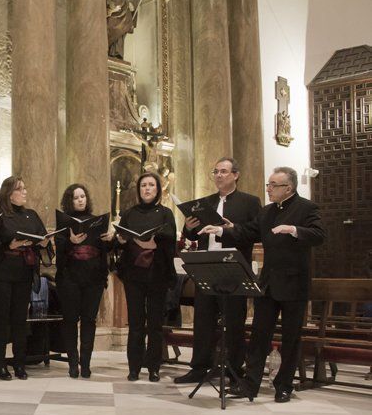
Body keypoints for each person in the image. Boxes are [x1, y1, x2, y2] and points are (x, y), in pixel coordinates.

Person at [202, 166, 325, 402]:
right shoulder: (267, 212)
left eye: (272, 185)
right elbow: (247, 232)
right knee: (259, 336)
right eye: (268, 184)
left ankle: (284, 386)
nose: (267, 189)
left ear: (287, 188)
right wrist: (220, 230)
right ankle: (250, 384)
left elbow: (319, 234)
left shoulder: (307, 208)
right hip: (268, 284)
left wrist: (295, 230)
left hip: (294, 284)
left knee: (290, 338)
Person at [174, 157, 261, 384]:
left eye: (224, 171)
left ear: (235, 175)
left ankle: (234, 369)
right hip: (207, 264)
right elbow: (193, 235)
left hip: (233, 267)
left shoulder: (249, 202)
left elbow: (254, 233)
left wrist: (227, 230)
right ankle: (199, 368)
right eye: (215, 172)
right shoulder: (206, 202)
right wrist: (190, 227)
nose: (219, 175)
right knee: (203, 319)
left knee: (234, 320)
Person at [0, 176, 51, 381]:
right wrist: (8, 246)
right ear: (8, 193)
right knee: (2, 320)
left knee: (20, 320)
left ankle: (20, 363)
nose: (25, 192)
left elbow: (42, 237)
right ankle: (0, 364)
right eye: (20, 189)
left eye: (24, 188)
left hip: (24, 271)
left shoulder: (31, 215)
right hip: (2, 273)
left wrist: (43, 242)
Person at [115, 172, 176, 382]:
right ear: (139, 190)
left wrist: (155, 243)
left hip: (157, 274)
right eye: (143, 186)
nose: (147, 189)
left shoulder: (166, 213)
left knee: (155, 325)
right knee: (136, 323)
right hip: (134, 275)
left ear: (158, 189)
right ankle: (134, 367)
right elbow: (120, 239)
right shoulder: (130, 213)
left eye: (151, 185)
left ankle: (153, 368)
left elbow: (170, 241)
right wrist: (121, 241)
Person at [55, 183, 112, 378]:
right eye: (76, 197)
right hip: (69, 278)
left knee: (89, 320)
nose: (80, 200)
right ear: (69, 201)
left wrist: (109, 239)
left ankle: (85, 363)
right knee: (70, 320)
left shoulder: (96, 221)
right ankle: (73, 363)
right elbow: (59, 254)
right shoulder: (64, 223)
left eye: (83, 196)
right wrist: (71, 242)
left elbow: (105, 252)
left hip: (93, 277)